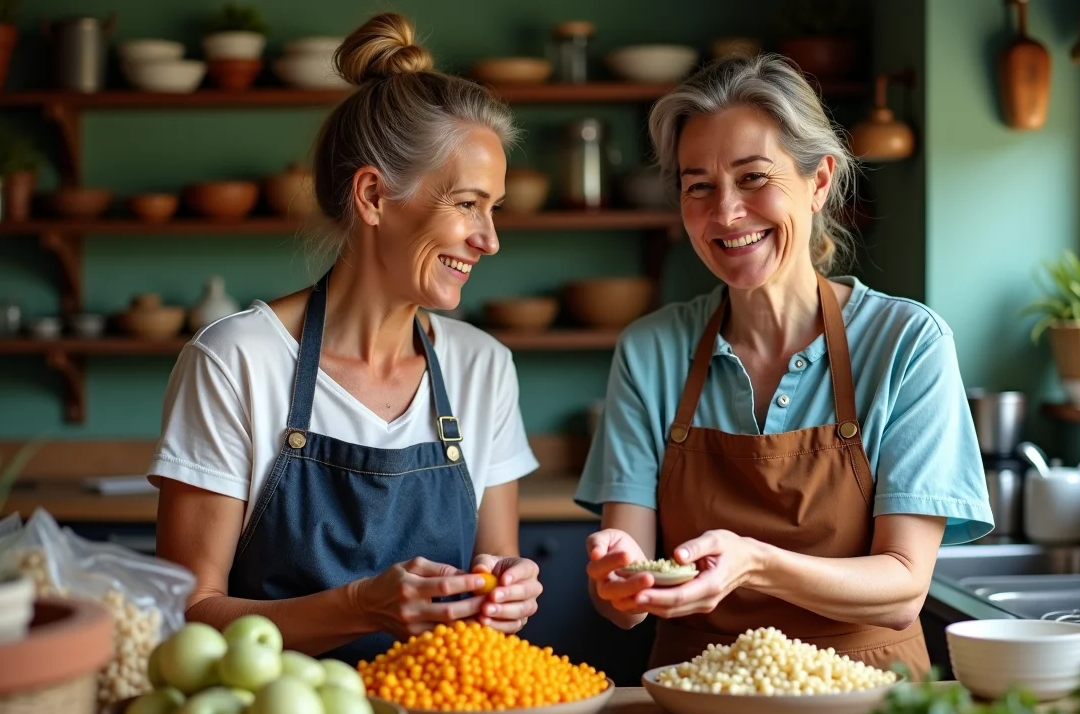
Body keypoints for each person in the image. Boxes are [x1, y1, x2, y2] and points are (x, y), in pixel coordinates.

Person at [576, 54, 993, 679]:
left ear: (819, 180)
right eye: (699, 187)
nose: (726, 213)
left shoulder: (908, 343)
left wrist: (755, 563)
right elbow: (626, 605)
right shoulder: (651, 350)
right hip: (699, 700)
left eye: (753, 178)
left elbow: (905, 587)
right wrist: (619, 580)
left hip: (867, 702)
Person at [147, 12, 543, 664]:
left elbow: (493, 575)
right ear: (373, 196)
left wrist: (507, 593)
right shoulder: (236, 363)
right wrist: (362, 606)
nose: (489, 239)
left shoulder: (483, 367)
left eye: (493, 208)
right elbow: (188, 617)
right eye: (468, 204)